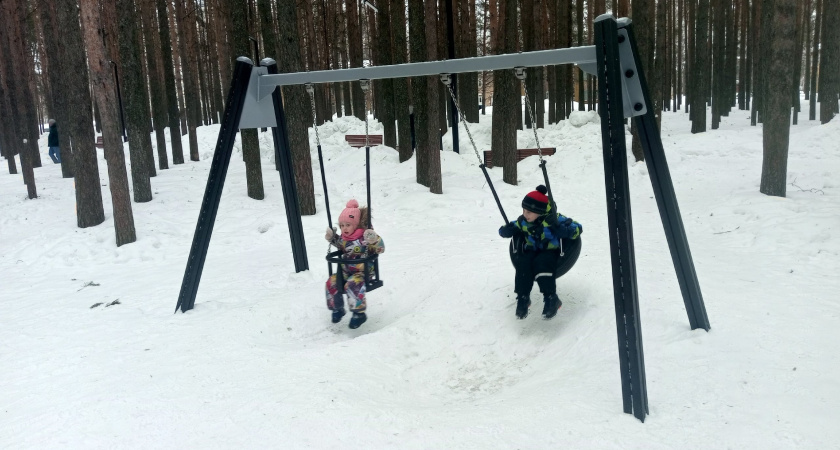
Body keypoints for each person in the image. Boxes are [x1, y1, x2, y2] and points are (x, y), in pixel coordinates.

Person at [498, 185, 582, 320]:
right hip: (531, 250)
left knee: (542, 263)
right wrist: (505, 231)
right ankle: (523, 297)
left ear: (540, 211)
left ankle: (551, 298)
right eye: (524, 210)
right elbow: (509, 228)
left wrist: (566, 231)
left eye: (529, 212)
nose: (525, 214)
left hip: (551, 252)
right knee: (523, 264)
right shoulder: (523, 221)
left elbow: (578, 228)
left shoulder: (554, 219)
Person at [324, 199, 385, 329]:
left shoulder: (365, 237)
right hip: (346, 271)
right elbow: (339, 244)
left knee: (353, 285)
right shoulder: (344, 239)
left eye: (348, 225)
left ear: (356, 224)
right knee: (332, 282)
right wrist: (332, 238)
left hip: (363, 272)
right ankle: (337, 309)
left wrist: (374, 240)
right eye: (342, 225)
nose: (344, 228)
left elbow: (381, 249)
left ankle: (359, 314)